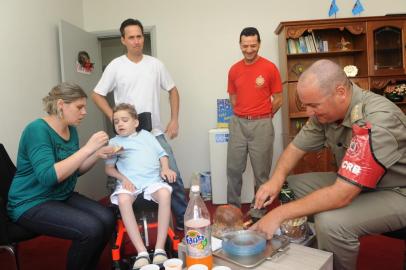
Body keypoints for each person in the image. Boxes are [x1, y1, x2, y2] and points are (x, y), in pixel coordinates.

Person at [252, 59, 406, 270]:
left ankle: (332, 254)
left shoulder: (377, 120)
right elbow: (296, 148)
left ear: (340, 92)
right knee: (292, 186)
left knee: (331, 223)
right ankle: (314, 254)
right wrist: (275, 180)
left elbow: (343, 194)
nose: (309, 112)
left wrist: (279, 214)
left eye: (313, 105)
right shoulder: (324, 114)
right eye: (306, 105)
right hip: (359, 183)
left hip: (397, 191)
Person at [7, 82, 116, 270]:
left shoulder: (71, 129)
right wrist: (88, 148)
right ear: (60, 105)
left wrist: (97, 154)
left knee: (107, 217)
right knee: (90, 229)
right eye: (79, 107)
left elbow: (75, 169)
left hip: (59, 194)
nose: (84, 112)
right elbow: (48, 176)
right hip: (31, 202)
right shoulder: (37, 130)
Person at [91, 18, 187, 230]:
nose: (136, 41)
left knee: (174, 176)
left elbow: (173, 90)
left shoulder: (156, 64)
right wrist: (113, 116)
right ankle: (128, 221)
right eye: (131, 37)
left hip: (154, 132)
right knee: (128, 177)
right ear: (123, 40)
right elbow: (97, 94)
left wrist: (174, 119)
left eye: (139, 36)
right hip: (127, 136)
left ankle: (183, 222)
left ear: (143, 38)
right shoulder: (116, 66)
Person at [105, 103, 175, 269]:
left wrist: (165, 168)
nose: (120, 124)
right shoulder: (114, 142)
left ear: (136, 122)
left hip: (152, 181)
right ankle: (141, 251)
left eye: (124, 120)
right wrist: (123, 178)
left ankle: (159, 249)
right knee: (123, 199)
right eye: (116, 122)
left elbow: (162, 155)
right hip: (130, 184)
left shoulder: (147, 136)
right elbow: (108, 168)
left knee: (165, 193)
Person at [227, 27, 282, 216]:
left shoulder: (269, 67)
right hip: (238, 124)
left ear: (259, 44)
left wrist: (265, 115)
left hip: (262, 125)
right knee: (233, 170)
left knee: (261, 173)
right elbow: (233, 97)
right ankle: (233, 210)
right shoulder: (234, 69)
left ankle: (259, 211)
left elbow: (279, 97)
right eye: (245, 46)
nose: (249, 49)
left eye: (253, 45)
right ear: (239, 45)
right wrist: (243, 113)